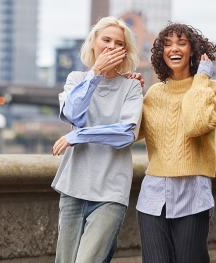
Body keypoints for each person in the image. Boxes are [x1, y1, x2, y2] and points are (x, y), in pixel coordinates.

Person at [129, 22, 216, 262]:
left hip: (192, 193)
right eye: (168, 44)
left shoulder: (212, 89)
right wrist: (127, 90)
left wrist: (201, 78)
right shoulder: (154, 93)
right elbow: (129, 133)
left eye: (182, 43)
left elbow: (195, 125)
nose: (175, 48)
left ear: (192, 50)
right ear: (161, 52)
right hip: (153, 196)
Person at [50, 16, 143, 263]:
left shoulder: (132, 87)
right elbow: (72, 114)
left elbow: (126, 134)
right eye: (106, 40)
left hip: (111, 192)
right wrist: (95, 74)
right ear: (93, 43)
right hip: (73, 187)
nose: (111, 46)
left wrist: (78, 135)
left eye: (118, 43)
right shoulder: (76, 80)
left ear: (125, 51)